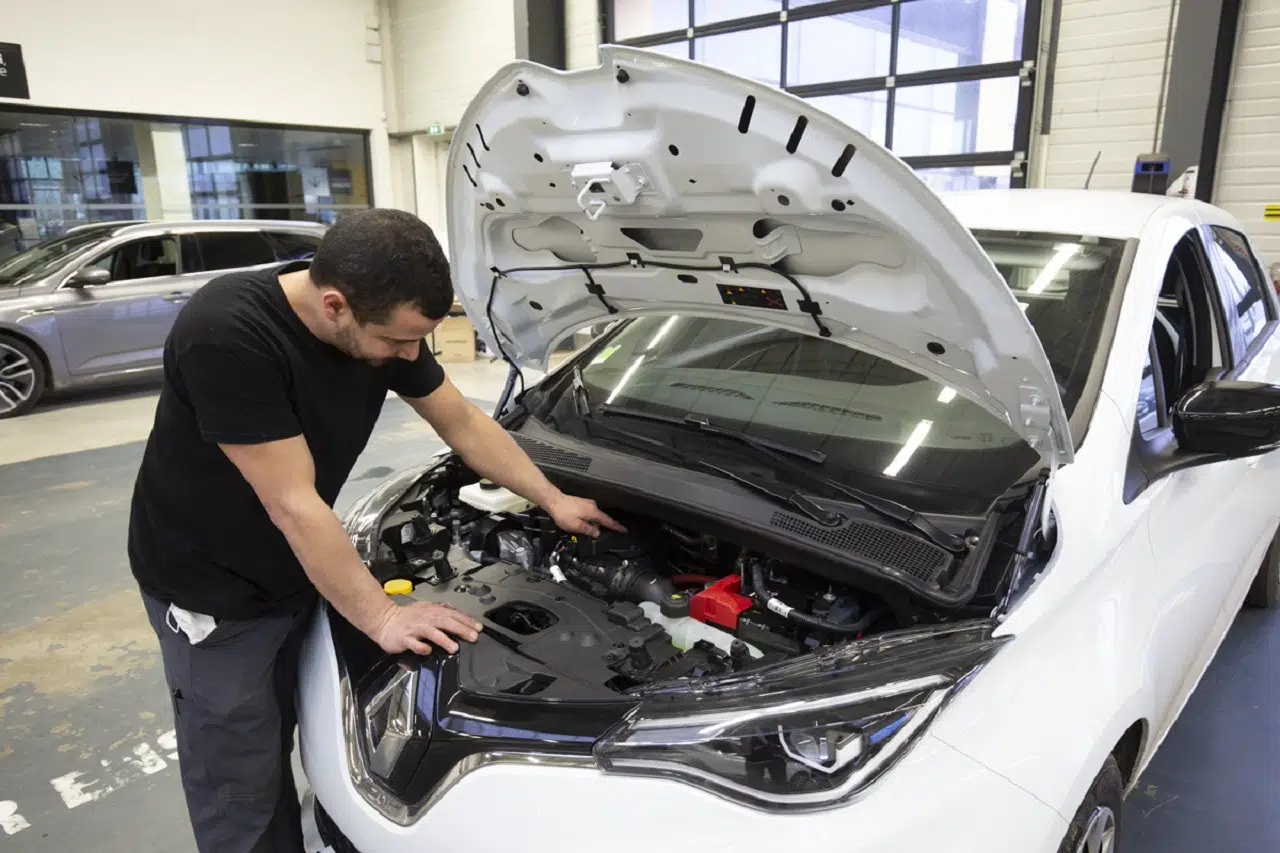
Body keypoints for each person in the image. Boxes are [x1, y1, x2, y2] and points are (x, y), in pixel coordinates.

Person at [127, 209, 622, 853]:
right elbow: (294, 506)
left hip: (304, 570)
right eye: (398, 342)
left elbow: (462, 422)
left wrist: (552, 500)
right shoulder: (227, 334)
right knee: (240, 781)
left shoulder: (380, 319)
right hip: (214, 591)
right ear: (335, 305)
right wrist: (384, 619)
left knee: (319, 733)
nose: (409, 357)